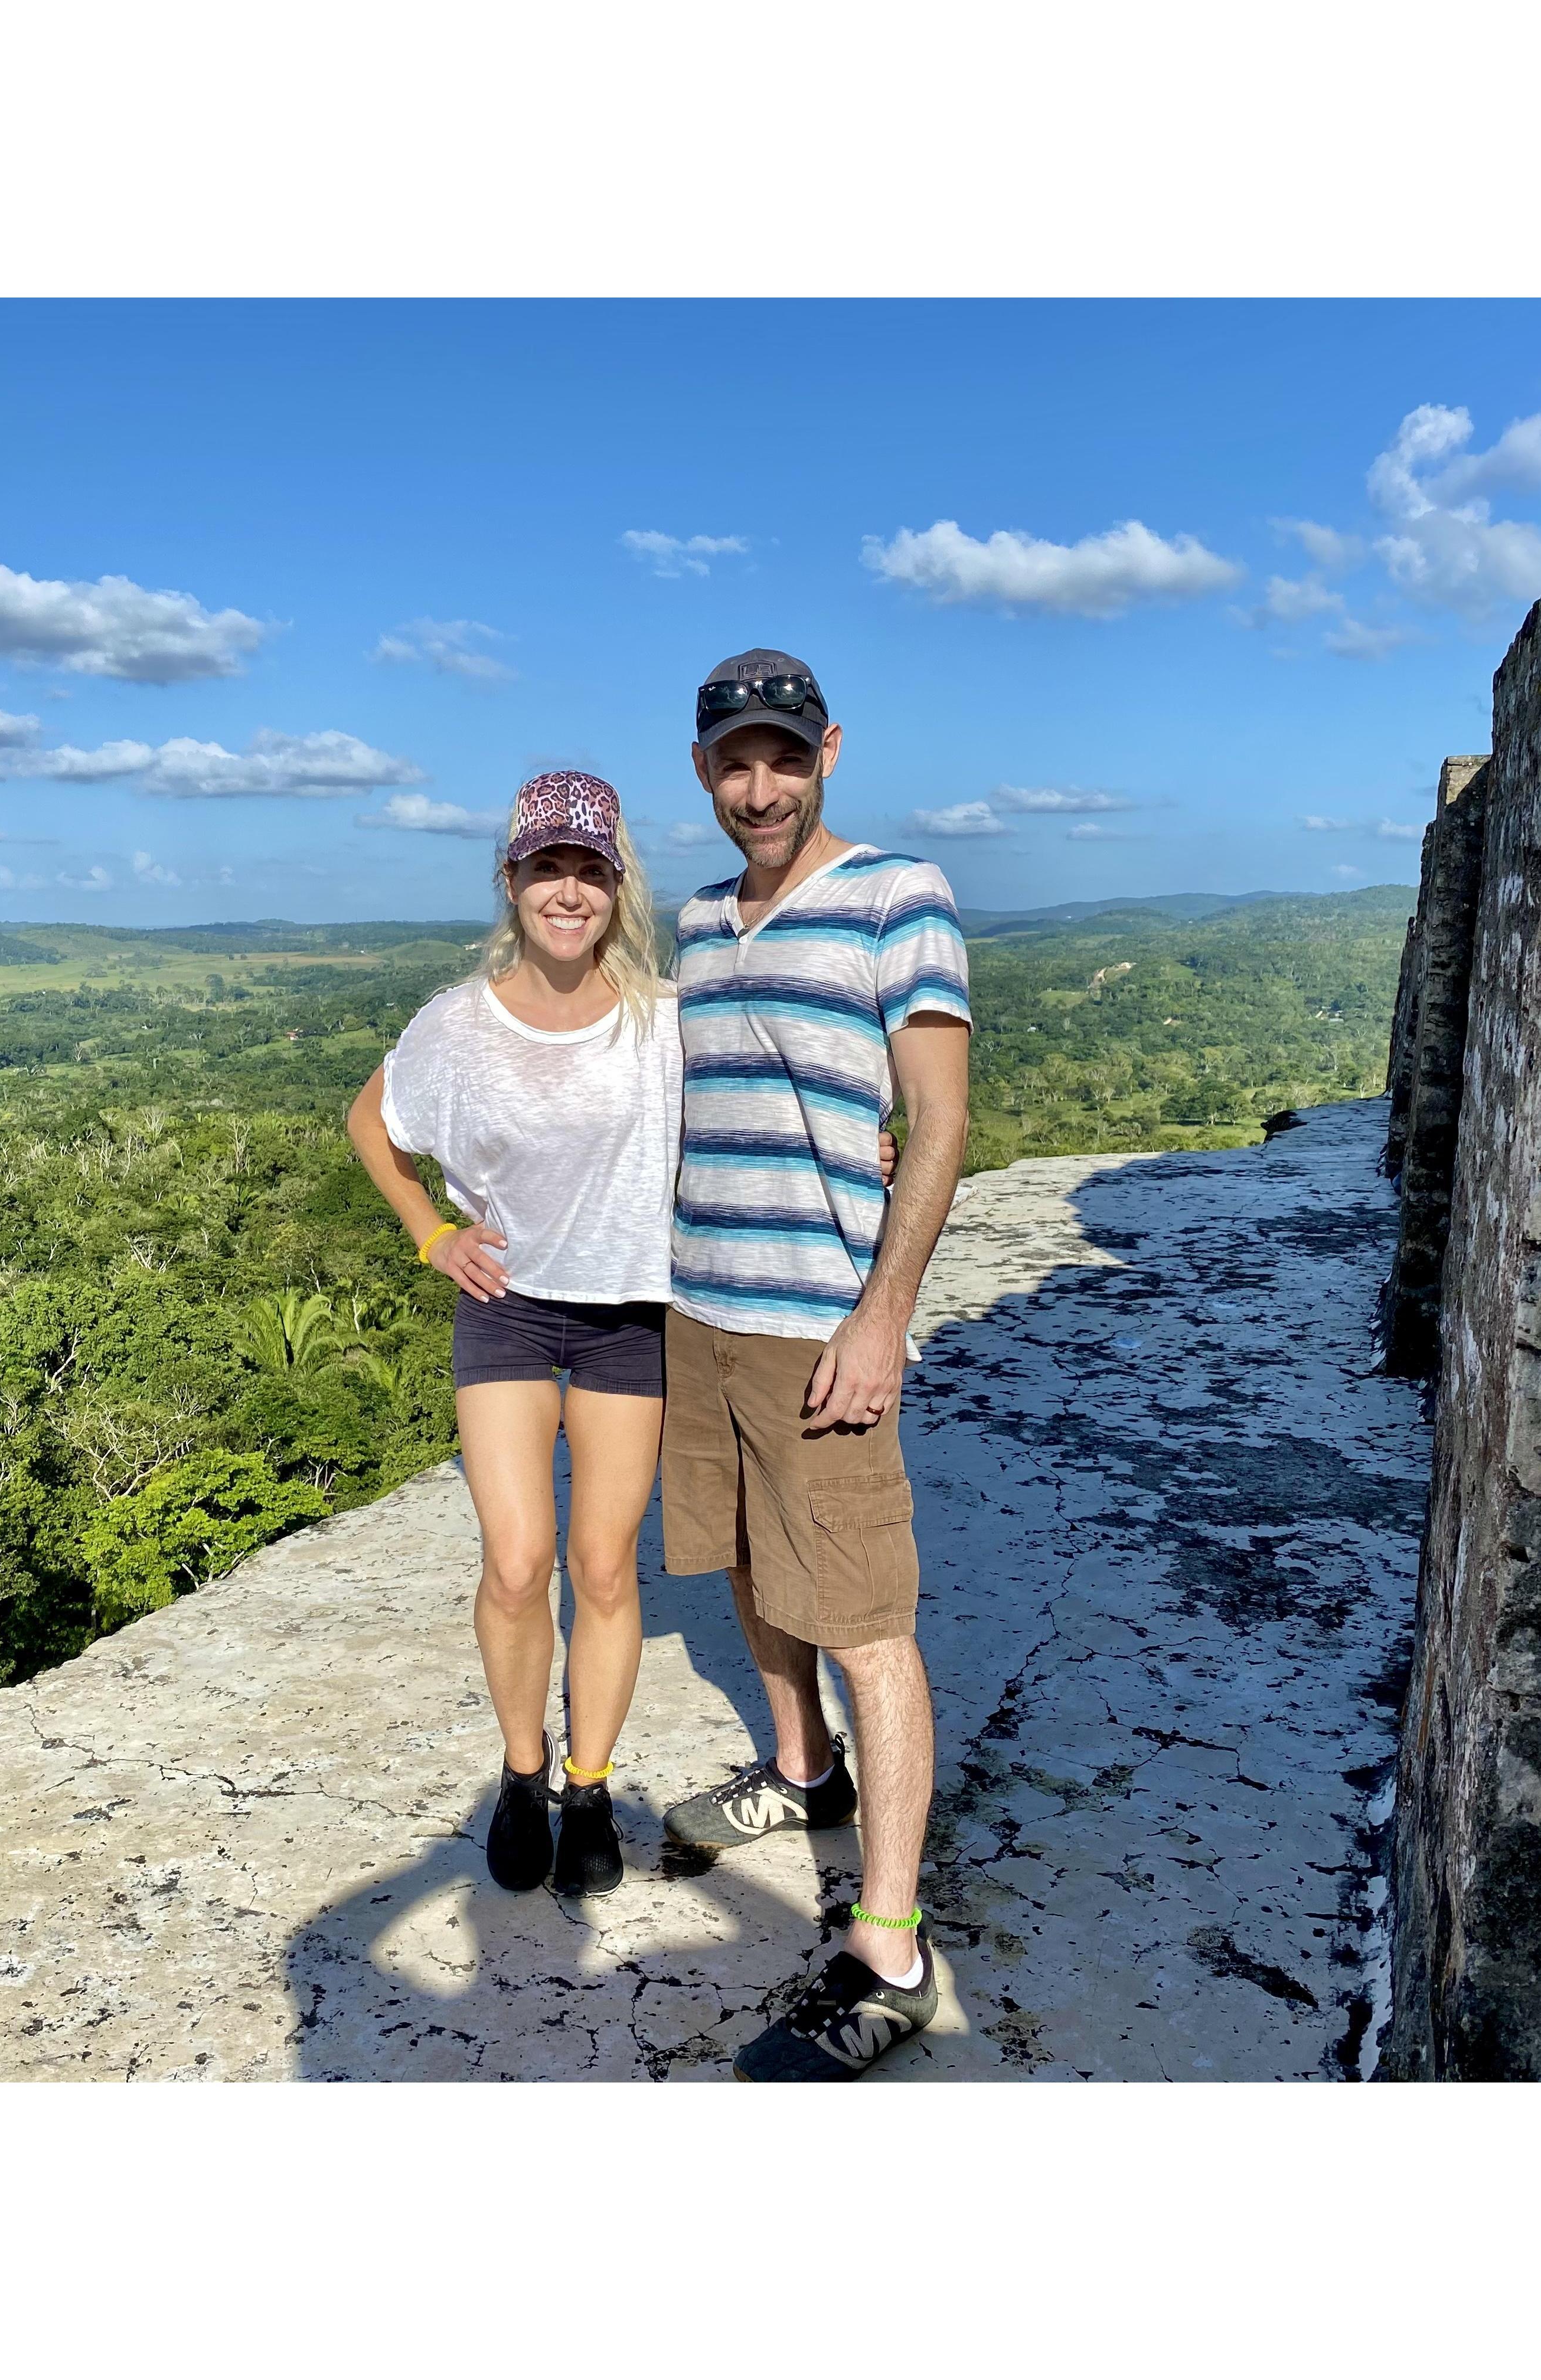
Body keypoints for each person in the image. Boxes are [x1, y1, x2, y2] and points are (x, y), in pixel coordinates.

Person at [658, 647, 974, 2081]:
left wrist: (883, 1315)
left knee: (863, 1618)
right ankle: (803, 1770)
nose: (761, 787)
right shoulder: (695, 920)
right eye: (735, 762)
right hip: (702, 1310)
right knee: (745, 1560)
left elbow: (939, 1120)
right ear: (704, 769)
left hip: (821, 1322)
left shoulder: (899, 895)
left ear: (828, 752)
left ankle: (892, 1951)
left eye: (785, 758)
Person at [346, 770, 678, 1900]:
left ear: (618, 886)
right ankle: (523, 1774)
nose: (569, 891)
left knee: (604, 1566)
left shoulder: (664, 1021)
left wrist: (866, 1149)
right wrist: (431, 1235)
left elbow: (753, 1114)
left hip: (629, 1313)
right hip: (510, 1309)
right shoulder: (458, 1023)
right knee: (518, 1560)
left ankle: (591, 1787)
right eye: (548, 869)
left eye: (591, 870)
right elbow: (371, 1121)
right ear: (513, 879)